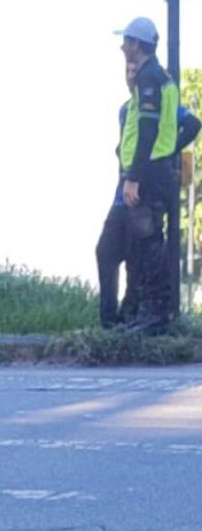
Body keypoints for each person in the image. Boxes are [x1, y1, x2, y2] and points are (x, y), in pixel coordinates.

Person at [96, 58, 201, 329]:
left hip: (145, 186)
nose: (131, 75)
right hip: (125, 189)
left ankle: (137, 312)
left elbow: (191, 123)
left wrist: (169, 152)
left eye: (134, 70)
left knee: (140, 252)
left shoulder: (159, 103)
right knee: (107, 250)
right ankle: (110, 318)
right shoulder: (125, 110)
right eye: (127, 71)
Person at [114, 17, 181, 335]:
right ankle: (154, 311)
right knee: (150, 242)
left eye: (126, 41)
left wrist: (133, 177)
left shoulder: (148, 78)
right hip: (159, 170)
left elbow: (147, 129)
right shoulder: (162, 77)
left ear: (137, 44)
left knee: (149, 243)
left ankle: (155, 315)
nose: (123, 47)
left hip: (149, 173)